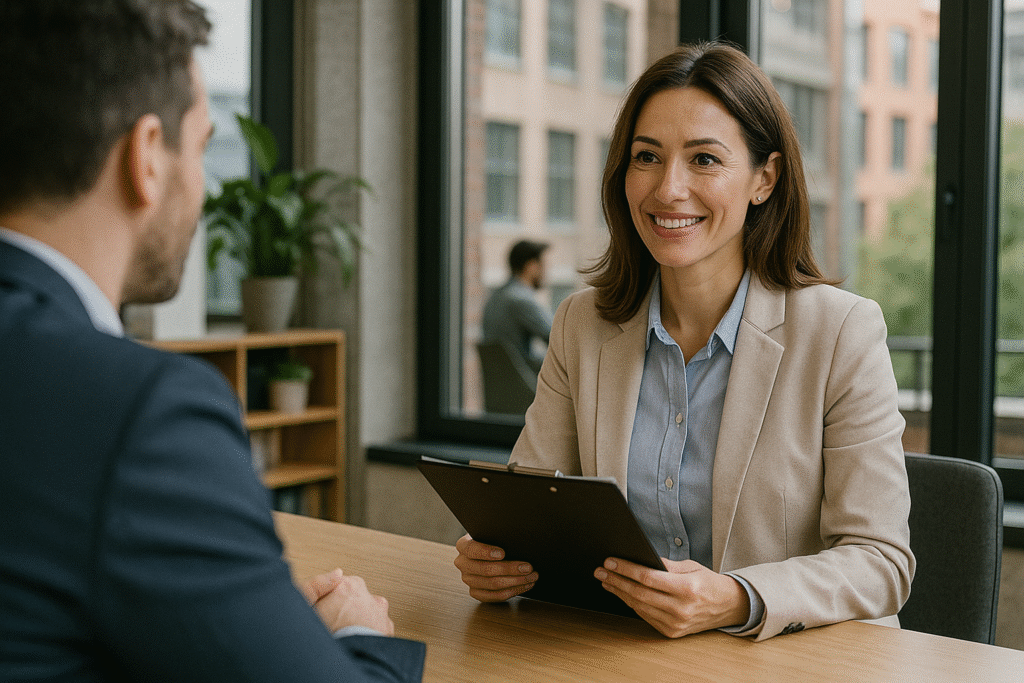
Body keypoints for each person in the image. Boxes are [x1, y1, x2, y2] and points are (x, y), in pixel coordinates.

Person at [0, 2, 424, 681]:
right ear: (146, 158)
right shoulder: (139, 410)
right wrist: (355, 636)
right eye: (199, 147)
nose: (203, 184)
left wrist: (255, 625)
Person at [454, 42, 915, 642]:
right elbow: (534, 502)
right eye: (647, 157)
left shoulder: (842, 332)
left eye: (704, 160)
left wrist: (734, 598)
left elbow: (881, 561)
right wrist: (498, 559)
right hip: (618, 655)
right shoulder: (581, 324)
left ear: (764, 179)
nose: (668, 189)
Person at [482, 239, 553, 375]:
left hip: (502, 385)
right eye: (544, 266)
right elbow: (557, 339)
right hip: (524, 387)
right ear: (531, 266)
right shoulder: (520, 299)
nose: (546, 273)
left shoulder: (495, 297)